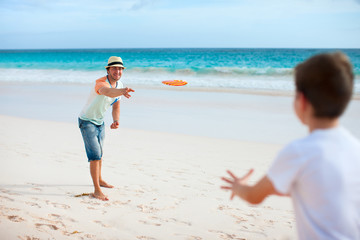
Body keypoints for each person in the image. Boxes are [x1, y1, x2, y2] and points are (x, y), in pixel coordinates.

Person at [221, 52, 360, 239]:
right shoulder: (355, 149)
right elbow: (325, 192)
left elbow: (254, 196)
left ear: (302, 101)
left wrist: (238, 186)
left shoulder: (299, 152)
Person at [79, 56, 134, 201]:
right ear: (108, 70)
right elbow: (108, 92)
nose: (118, 71)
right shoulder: (100, 83)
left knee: (100, 153)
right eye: (114, 68)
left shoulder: (120, 84)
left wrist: (116, 120)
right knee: (95, 155)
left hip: (99, 122)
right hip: (87, 121)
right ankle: (97, 190)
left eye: (120, 68)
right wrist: (121, 91)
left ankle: (100, 180)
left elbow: (116, 105)